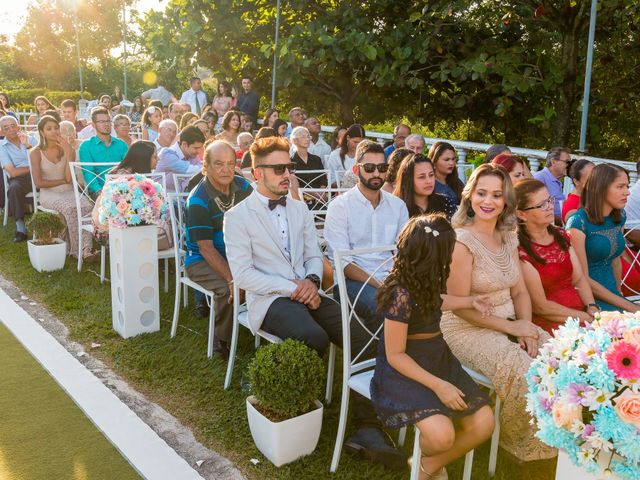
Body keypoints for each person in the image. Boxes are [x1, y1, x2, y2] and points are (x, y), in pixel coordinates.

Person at [224, 136, 406, 468]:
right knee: (313, 337)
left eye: (289, 168)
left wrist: (309, 281)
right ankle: (296, 405)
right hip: (270, 299)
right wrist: (292, 287)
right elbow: (244, 275)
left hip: (310, 291)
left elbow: (313, 255)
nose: (287, 175)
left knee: (364, 338)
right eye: (278, 168)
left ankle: (365, 426)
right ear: (255, 173)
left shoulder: (298, 207)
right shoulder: (237, 217)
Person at [441, 163, 555, 463]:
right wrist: (513, 329)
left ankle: (560, 433)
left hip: (510, 321)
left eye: (496, 195)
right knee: (525, 371)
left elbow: (519, 291)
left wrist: (525, 326)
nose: (488, 202)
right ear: (470, 197)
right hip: (466, 328)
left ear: (506, 200)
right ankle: (518, 446)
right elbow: (460, 306)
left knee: (557, 357)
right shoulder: (461, 241)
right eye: (481, 194)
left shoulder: (509, 235)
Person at [371, 214, 495, 480]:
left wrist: (470, 301)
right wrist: (439, 386)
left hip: (438, 358)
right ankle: (437, 451)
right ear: (435, 257)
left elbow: (434, 301)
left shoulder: (427, 279)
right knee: (442, 437)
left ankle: (426, 466)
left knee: (485, 423)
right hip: (405, 369)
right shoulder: (399, 294)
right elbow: (395, 355)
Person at [325, 140, 409, 331]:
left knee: (424, 303)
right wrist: (380, 285)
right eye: (370, 168)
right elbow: (344, 264)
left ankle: (411, 356)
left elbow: (403, 252)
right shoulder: (339, 207)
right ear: (356, 170)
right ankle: (382, 358)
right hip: (352, 283)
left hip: (391, 278)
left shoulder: (398, 206)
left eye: (382, 167)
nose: (377, 173)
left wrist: (394, 282)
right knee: (384, 309)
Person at [185, 140, 253, 357]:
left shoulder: (243, 187)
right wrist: (233, 279)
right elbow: (205, 248)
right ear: (206, 166)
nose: (226, 169)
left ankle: (265, 328)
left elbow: (259, 220)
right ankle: (220, 340)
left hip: (240, 254)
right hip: (201, 261)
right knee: (227, 289)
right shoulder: (197, 199)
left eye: (230, 163)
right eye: (218, 164)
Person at [515, 179, 598, 334]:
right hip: (553, 323)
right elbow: (541, 307)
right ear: (521, 214)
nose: (550, 207)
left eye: (549, 200)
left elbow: (579, 278)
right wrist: (584, 317)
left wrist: (591, 306)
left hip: (582, 313)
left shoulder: (560, 235)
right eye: (541, 205)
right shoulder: (520, 250)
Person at [566, 163, 640, 313]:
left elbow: (615, 261)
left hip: (614, 293)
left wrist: (619, 295)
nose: (627, 192)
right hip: (590, 300)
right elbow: (582, 278)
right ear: (600, 188)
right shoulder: (578, 223)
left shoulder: (619, 217)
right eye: (620, 187)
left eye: (627, 186)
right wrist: (628, 306)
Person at [29, 116, 94, 259]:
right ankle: (77, 251)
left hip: (69, 191)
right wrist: (62, 181)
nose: (54, 131)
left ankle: (87, 250)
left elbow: (69, 179)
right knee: (71, 208)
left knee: (87, 206)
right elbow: (39, 183)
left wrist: (69, 153)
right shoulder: (35, 152)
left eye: (56, 127)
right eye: (49, 128)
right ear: (41, 132)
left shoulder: (66, 149)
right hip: (49, 194)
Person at [91, 141, 170, 248]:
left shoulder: (139, 173)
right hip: (111, 228)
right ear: (144, 159)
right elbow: (117, 212)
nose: (158, 159)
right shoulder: (123, 177)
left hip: (129, 222)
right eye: (155, 157)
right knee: (159, 225)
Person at [78, 107, 129, 200]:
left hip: (122, 188)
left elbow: (128, 168)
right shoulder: (86, 146)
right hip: (98, 190)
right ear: (93, 125)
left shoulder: (121, 144)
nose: (106, 124)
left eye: (108, 121)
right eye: (101, 122)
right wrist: (100, 191)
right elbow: (88, 174)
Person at [0, 115, 37, 242]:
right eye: (6, 128)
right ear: (2, 131)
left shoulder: (31, 140)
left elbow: (42, 159)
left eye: (13, 126)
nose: (10, 129)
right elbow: (13, 172)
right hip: (20, 178)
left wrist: (27, 145)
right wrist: (33, 167)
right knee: (14, 187)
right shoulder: (1, 146)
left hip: (38, 174)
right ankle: (20, 228)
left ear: (18, 126)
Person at [393, 153, 457, 219]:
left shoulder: (446, 202)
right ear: (408, 180)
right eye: (422, 177)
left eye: (431, 175)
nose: (429, 181)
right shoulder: (397, 207)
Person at [156, 125, 205, 192]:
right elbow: (190, 170)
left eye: (200, 148)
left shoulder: (193, 155)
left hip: (180, 198)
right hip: (160, 198)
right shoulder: (167, 154)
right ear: (184, 144)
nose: (198, 151)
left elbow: (200, 169)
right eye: (195, 148)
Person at [290, 126, 326, 209]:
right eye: (303, 137)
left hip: (319, 199)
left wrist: (322, 194)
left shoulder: (316, 159)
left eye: (308, 136)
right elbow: (293, 184)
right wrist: (314, 193)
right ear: (295, 141)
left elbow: (323, 179)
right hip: (301, 200)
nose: (307, 139)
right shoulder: (291, 161)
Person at [533, 147, 570, 225]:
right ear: (553, 162)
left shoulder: (556, 181)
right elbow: (536, 212)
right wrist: (566, 222)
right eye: (567, 162)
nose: (570, 166)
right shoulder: (540, 178)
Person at [428, 141, 464, 205]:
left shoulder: (457, 182)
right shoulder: (429, 184)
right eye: (446, 160)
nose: (451, 163)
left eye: (453, 159)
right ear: (434, 161)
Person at [562, 159, 595, 223]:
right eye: (590, 178)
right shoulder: (572, 208)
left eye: (597, 175)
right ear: (576, 181)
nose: (597, 180)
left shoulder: (592, 196)